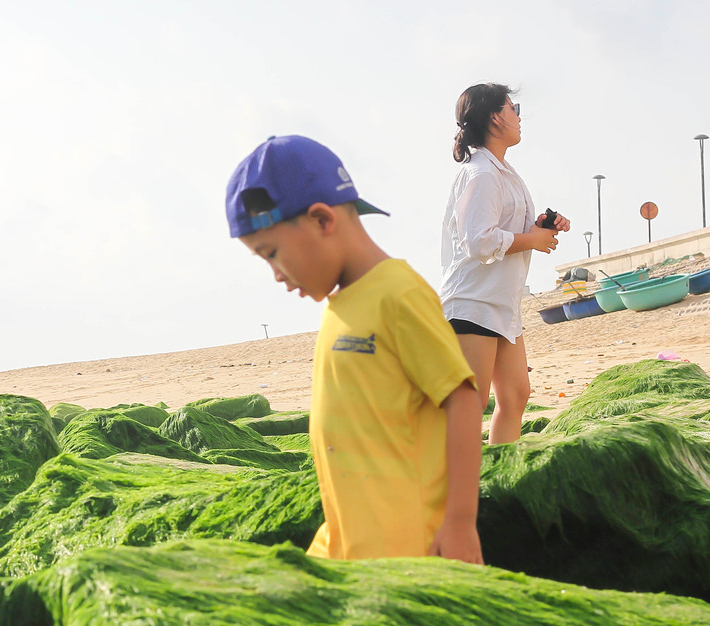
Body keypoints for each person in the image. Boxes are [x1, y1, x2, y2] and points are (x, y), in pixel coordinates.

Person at [225, 135, 483, 565]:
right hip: (349, 543)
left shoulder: (399, 294)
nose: (274, 275)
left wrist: (459, 523)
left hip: (406, 549)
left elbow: (462, 399)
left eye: (271, 253)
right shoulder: (340, 305)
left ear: (323, 220)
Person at [439, 83, 570, 444]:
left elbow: (500, 230)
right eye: (514, 109)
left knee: (515, 396)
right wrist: (532, 240)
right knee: (471, 404)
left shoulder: (502, 172)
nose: (519, 117)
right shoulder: (481, 174)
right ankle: (456, 491)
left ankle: (498, 478)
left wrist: (542, 227)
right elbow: (478, 241)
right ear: (495, 118)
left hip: (502, 303)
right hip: (473, 302)